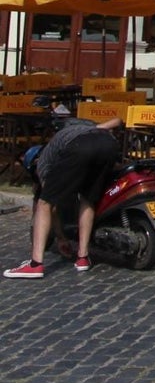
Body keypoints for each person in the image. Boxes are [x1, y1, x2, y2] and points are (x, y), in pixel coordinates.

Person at [6, 105, 122, 280]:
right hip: (109, 145)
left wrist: (60, 238)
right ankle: (83, 258)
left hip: (79, 148)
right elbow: (119, 120)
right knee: (88, 199)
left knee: (44, 203)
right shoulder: (89, 128)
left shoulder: (44, 160)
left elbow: (50, 205)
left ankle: (35, 264)